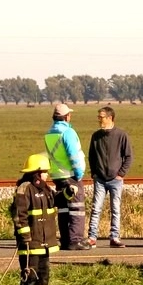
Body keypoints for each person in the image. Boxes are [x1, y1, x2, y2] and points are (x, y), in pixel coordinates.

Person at [11, 154, 59, 285]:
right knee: (30, 274)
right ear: (37, 173)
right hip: (30, 242)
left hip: (45, 243)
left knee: (43, 273)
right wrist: (25, 236)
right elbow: (19, 215)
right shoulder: (24, 189)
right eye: (45, 171)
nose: (47, 174)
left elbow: (55, 200)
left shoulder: (45, 189)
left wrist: (67, 194)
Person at [86, 106, 133, 249]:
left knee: (115, 209)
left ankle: (114, 237)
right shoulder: (96, 136)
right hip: (100, 179)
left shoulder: (121, 135)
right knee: (96, 208)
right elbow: (91, 156)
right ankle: (92, 237)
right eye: (98, 117)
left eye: (101, 117)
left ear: (110, 118)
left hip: (115, 180)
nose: (99, 119)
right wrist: (94, 173)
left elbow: (128, 156)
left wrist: (121, 174)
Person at [44, 103, 88, 251]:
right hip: (70, 175)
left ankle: (65, 239)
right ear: (67, 116)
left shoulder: (49, 133)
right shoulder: (68, 132)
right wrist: (79, 173)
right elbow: (73, 154)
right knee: (76, 209)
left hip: (57, 176)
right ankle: (75, 240)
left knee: (63, 209)